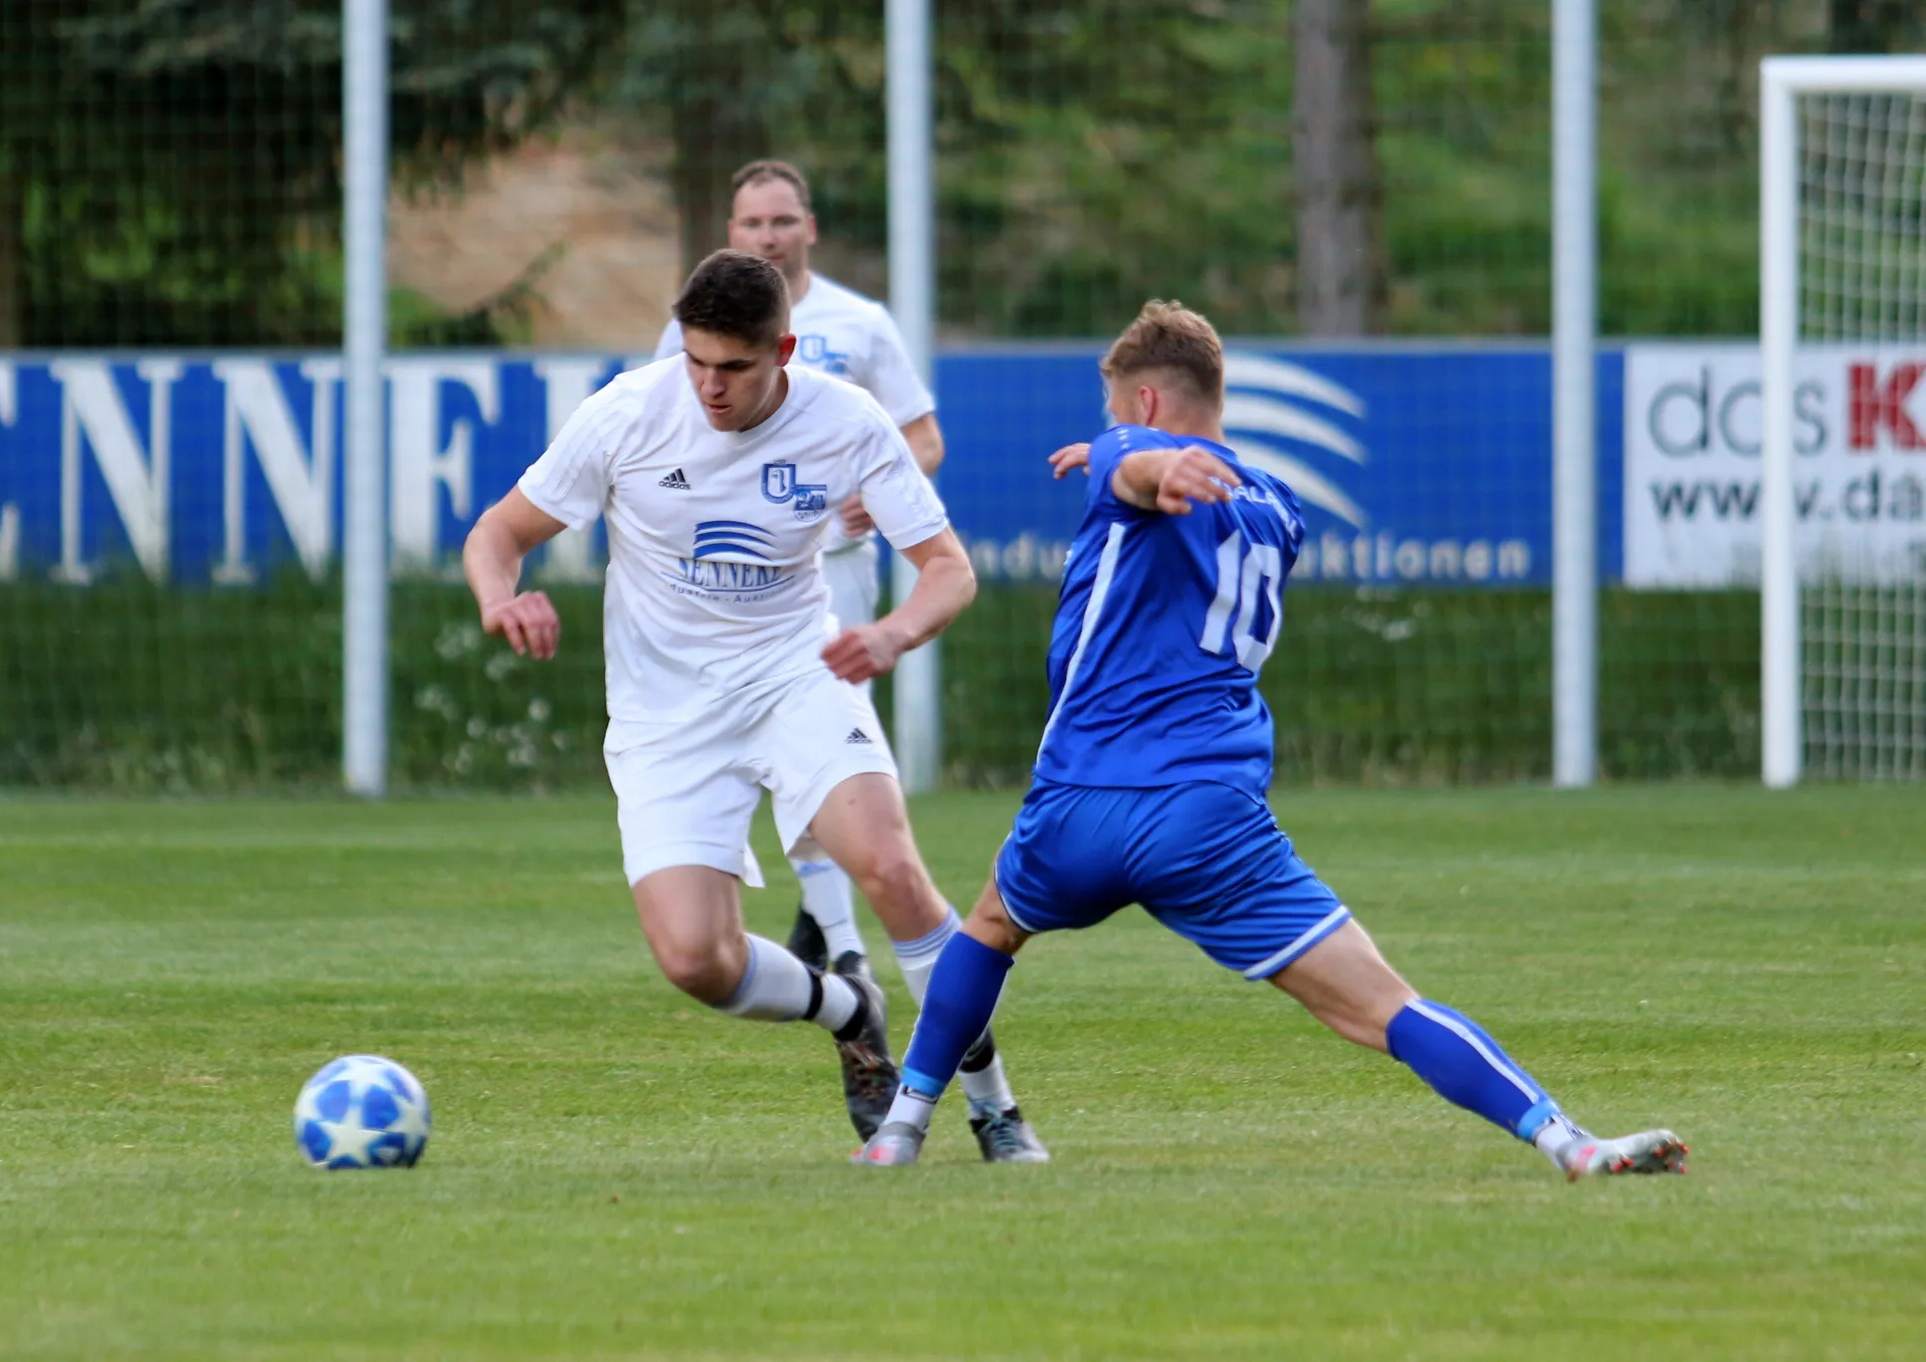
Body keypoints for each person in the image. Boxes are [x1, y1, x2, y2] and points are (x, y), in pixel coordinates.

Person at [853, 301, 1687, 1180]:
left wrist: (1133, 460)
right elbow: (1148, 478)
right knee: (1386, 1007)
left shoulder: (1133, 455)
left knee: (988, 929)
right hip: (1208, 820)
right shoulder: (1280, 509)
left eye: (1115, 412)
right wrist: (1138, 464)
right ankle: (1567, 1141)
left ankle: (899, 1131)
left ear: (1145, 403)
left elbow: (1135, 467)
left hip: (1083, 802)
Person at [466, 248, 1045, 1161]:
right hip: (666, 715)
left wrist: (892, 634)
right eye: (696, 360)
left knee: (892, 870)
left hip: (796, 676)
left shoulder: (845, 419)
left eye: (733, 366)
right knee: (696, 960)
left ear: (783, 350)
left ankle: (994, 1109)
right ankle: (848, 1008)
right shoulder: (627, 412)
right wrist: (500, 597)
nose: (710, 386)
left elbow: (948, 569)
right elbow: (499, 531)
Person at [654, 160, 945, 984]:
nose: (768, 236)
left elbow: (922, 439)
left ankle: (835, 932)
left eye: (782, 221)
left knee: (826, 748)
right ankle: (840, 941)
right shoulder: (699, 331)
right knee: (786, 750)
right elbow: (658, 432)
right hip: (729, 583)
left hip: (834, 573)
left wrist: (877, 494)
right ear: (732, 232)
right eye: (752, 223)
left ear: (809, 228)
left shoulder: (860, 323)